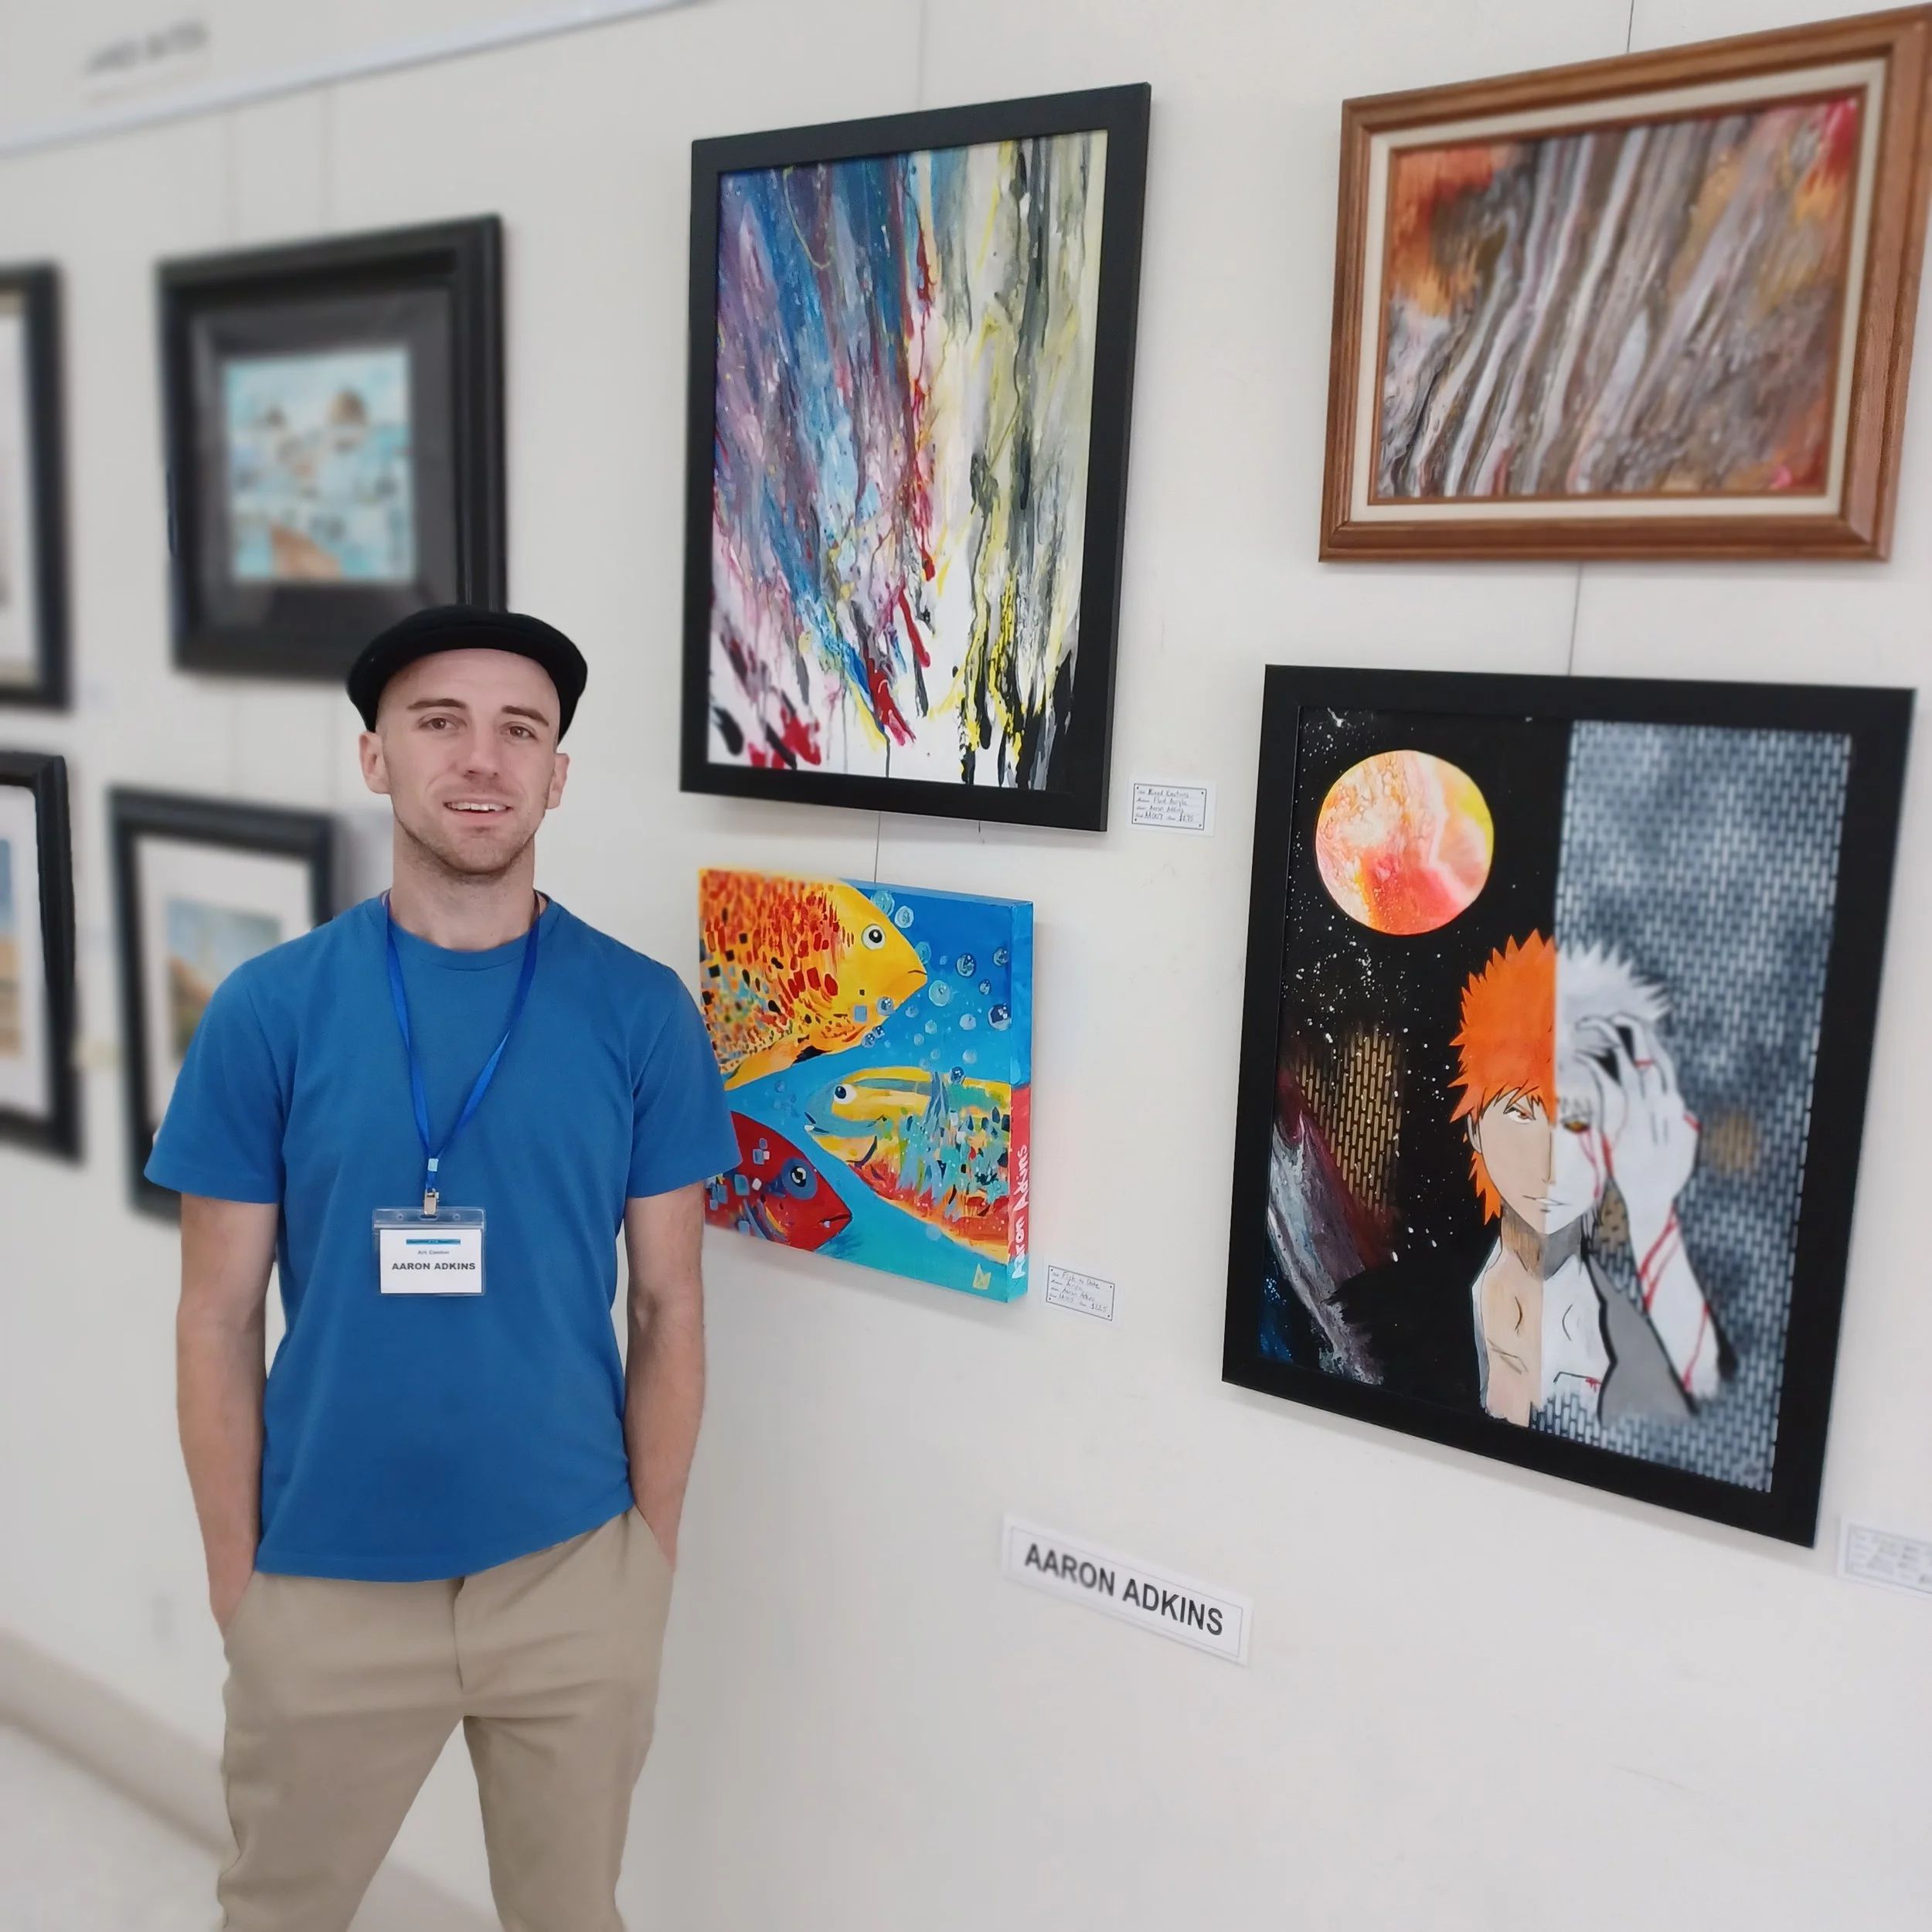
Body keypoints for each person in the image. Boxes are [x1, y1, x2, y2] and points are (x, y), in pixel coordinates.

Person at [151, 605, 737, 1932]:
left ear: (557, 774)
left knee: (569, 1916)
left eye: (519, 729)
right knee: (280, 1914)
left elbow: (669, 1302)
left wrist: (646, 1558)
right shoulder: (271, 1010)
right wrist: (241, 1584)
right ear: (376, 759)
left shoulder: (640, 1012)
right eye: (441, 723)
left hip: (572, 1573)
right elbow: (216, 1316)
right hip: (325, 1576)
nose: (483, 759)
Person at [1451, 932, 1723, 1425]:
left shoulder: (1613, 1326)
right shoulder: (1463, 1293)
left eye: (1577, 1121)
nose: (1551, 1159)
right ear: (1475, 1128)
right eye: (1520, 1112)